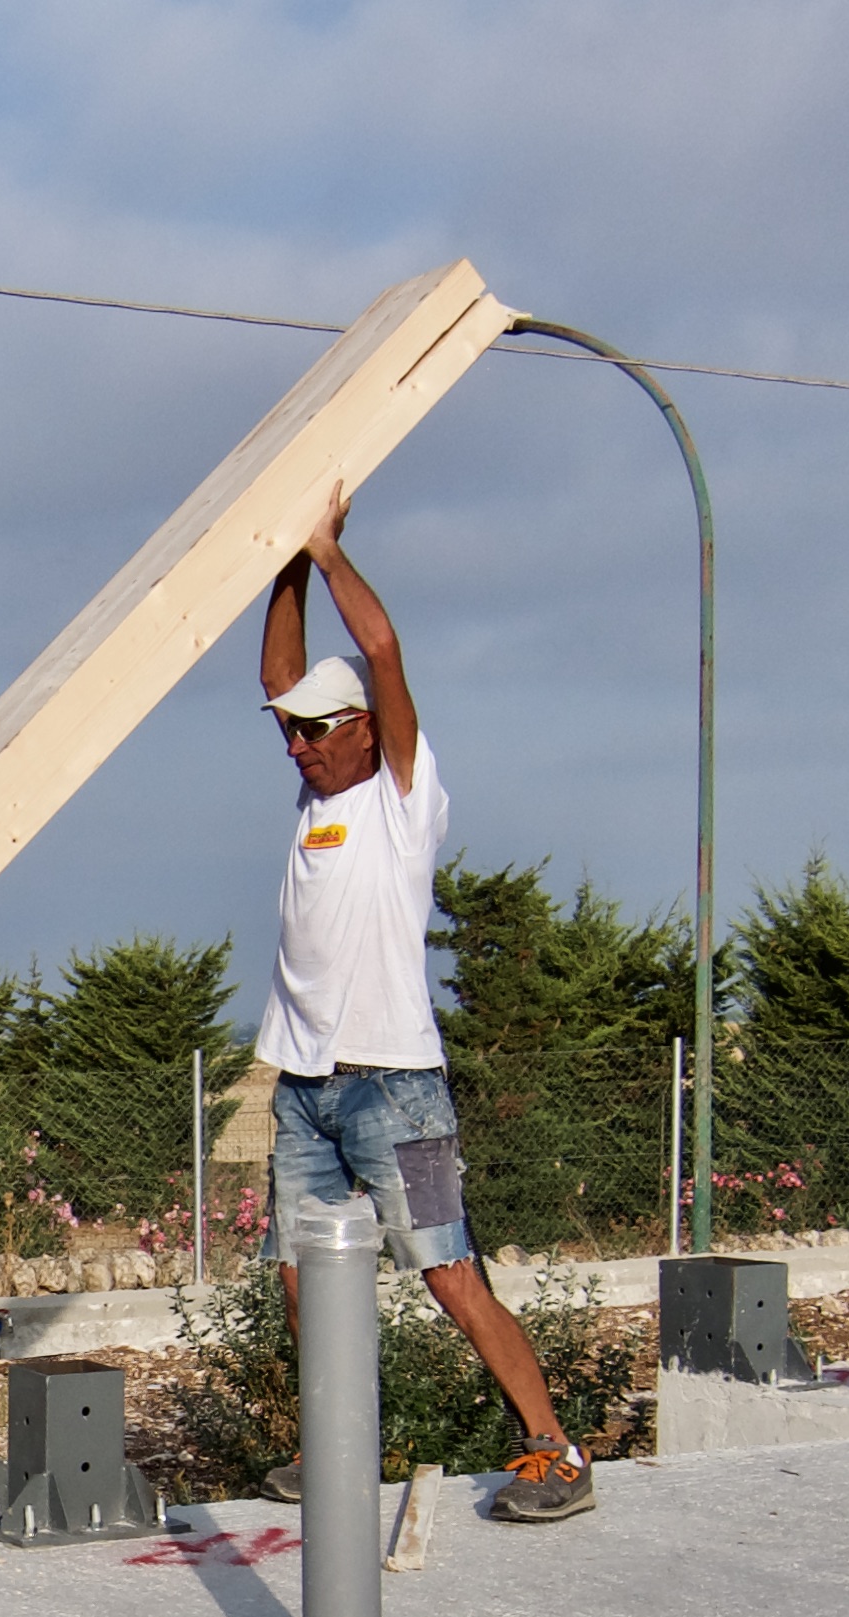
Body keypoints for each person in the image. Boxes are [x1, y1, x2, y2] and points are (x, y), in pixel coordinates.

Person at [251, 486, 594, 1522]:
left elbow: (384, 650)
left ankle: (555, 1452)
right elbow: (277, 673)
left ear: (366, 729)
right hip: (305, 1090)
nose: (299, 746)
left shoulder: (401, 796)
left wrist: (327, 548)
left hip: (399, 1092)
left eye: (316, 731)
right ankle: (336, 1452)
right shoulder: (315, 798)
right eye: (291, 734)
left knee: (447, 1271)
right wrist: (286, 560)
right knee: (301, 1276)